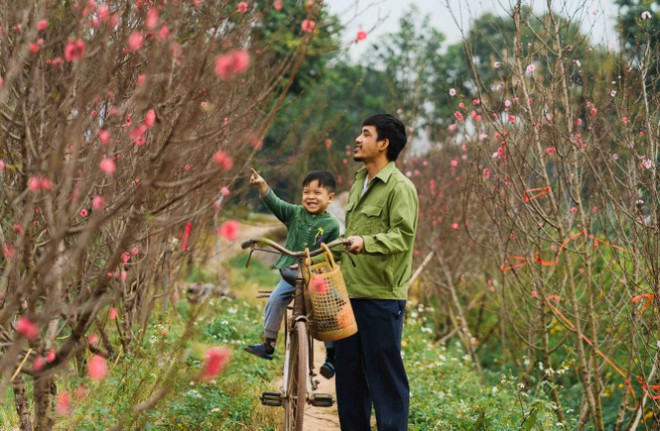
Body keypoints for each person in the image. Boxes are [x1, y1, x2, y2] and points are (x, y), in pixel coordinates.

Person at [337, 114, 419, 430]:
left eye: (366, 134)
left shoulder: (400, 188)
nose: (358, 139)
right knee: (350, 383)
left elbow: (402, 236)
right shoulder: (360, 181)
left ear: (383, 144)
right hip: (350, 294)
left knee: (386, 384)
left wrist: (365, 242)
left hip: (381, 299)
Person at [244, 168, 341, 379]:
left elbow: (335, 252)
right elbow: (276, 204)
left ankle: (331, 357)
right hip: (291, 275)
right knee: (276, 299)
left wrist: (312, 261)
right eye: (307, 192)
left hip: (316, 278)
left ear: (330, 198)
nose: (311, 197)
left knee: (329, 309)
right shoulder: (295, 213)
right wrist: (263, 186)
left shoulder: (332, 225)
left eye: (317, 193)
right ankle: (268, 343)